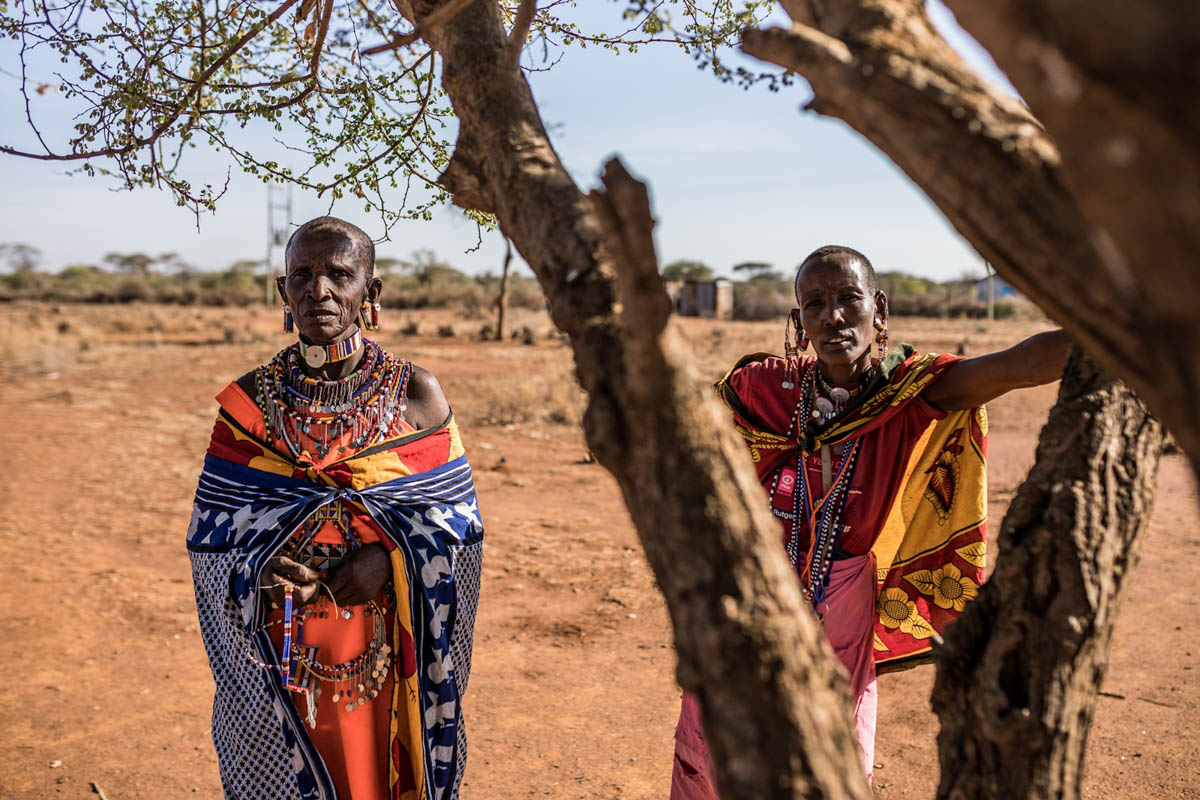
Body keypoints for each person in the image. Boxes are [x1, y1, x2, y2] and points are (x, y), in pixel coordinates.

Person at [670, 245, 1070, 797]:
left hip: (841, 606)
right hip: (747, 596)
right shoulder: (766, 388)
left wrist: (1131, 339)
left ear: (878, 308)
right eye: (815, 303)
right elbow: (680, 420)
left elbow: (1020, 364)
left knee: (827, 757)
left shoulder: (906, 392)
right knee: (715, 749)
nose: (833, 316)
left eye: (848, 299)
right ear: (799, 320)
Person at [187, 216, 483, 800]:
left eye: (339, 275)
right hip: (281, 653)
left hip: (387, 651)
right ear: (284, 290)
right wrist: (257, 567)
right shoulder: (248, 405)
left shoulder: (415, 393)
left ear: (371, 291)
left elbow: (458, 527)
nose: (318, 290)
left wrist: (390, 560)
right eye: (302, 275)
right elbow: (212, 536)